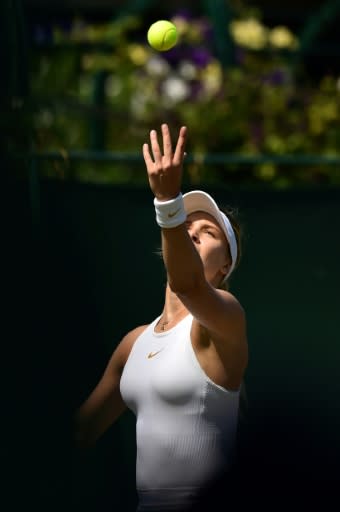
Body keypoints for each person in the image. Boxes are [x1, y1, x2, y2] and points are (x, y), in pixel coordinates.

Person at [74, 124, 248, 512]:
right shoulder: (134, 342)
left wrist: (169, 200)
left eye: (208, 232)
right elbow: (81, 433)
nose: (193, 233)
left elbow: (188, 285)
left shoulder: (226, 319)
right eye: (186, 227)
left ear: (225, 268)